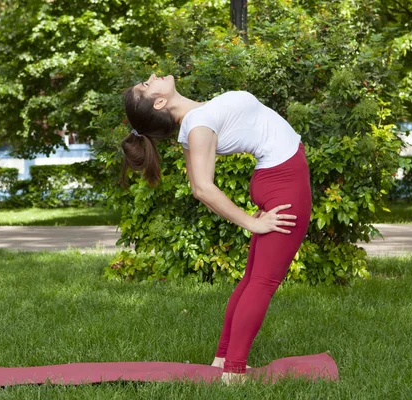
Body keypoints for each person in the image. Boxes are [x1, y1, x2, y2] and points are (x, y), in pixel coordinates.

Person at [121, 74, 312, 384]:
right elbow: (203, 189)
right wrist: (252, 222)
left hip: (276, 177)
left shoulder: (194, 121)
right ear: (158, 102)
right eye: (146, 84)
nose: (152, 77)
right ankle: (234, 372)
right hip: (285, 180)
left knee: (254, 280)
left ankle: (222, 359)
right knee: (262, 282)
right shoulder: (197, 125)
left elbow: (199, 186)